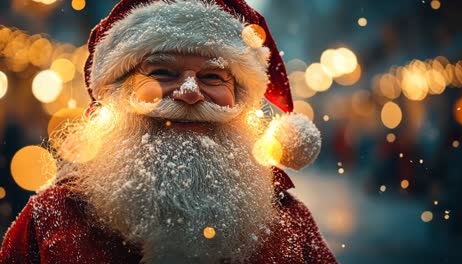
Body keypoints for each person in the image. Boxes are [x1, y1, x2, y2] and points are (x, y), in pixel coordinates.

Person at [0, 0, 337, 263]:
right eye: (162, 71)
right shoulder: (51, 219)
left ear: (241, 98)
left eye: (213, 77)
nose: (189, 92)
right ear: (119, 91)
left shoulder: (289, 223)